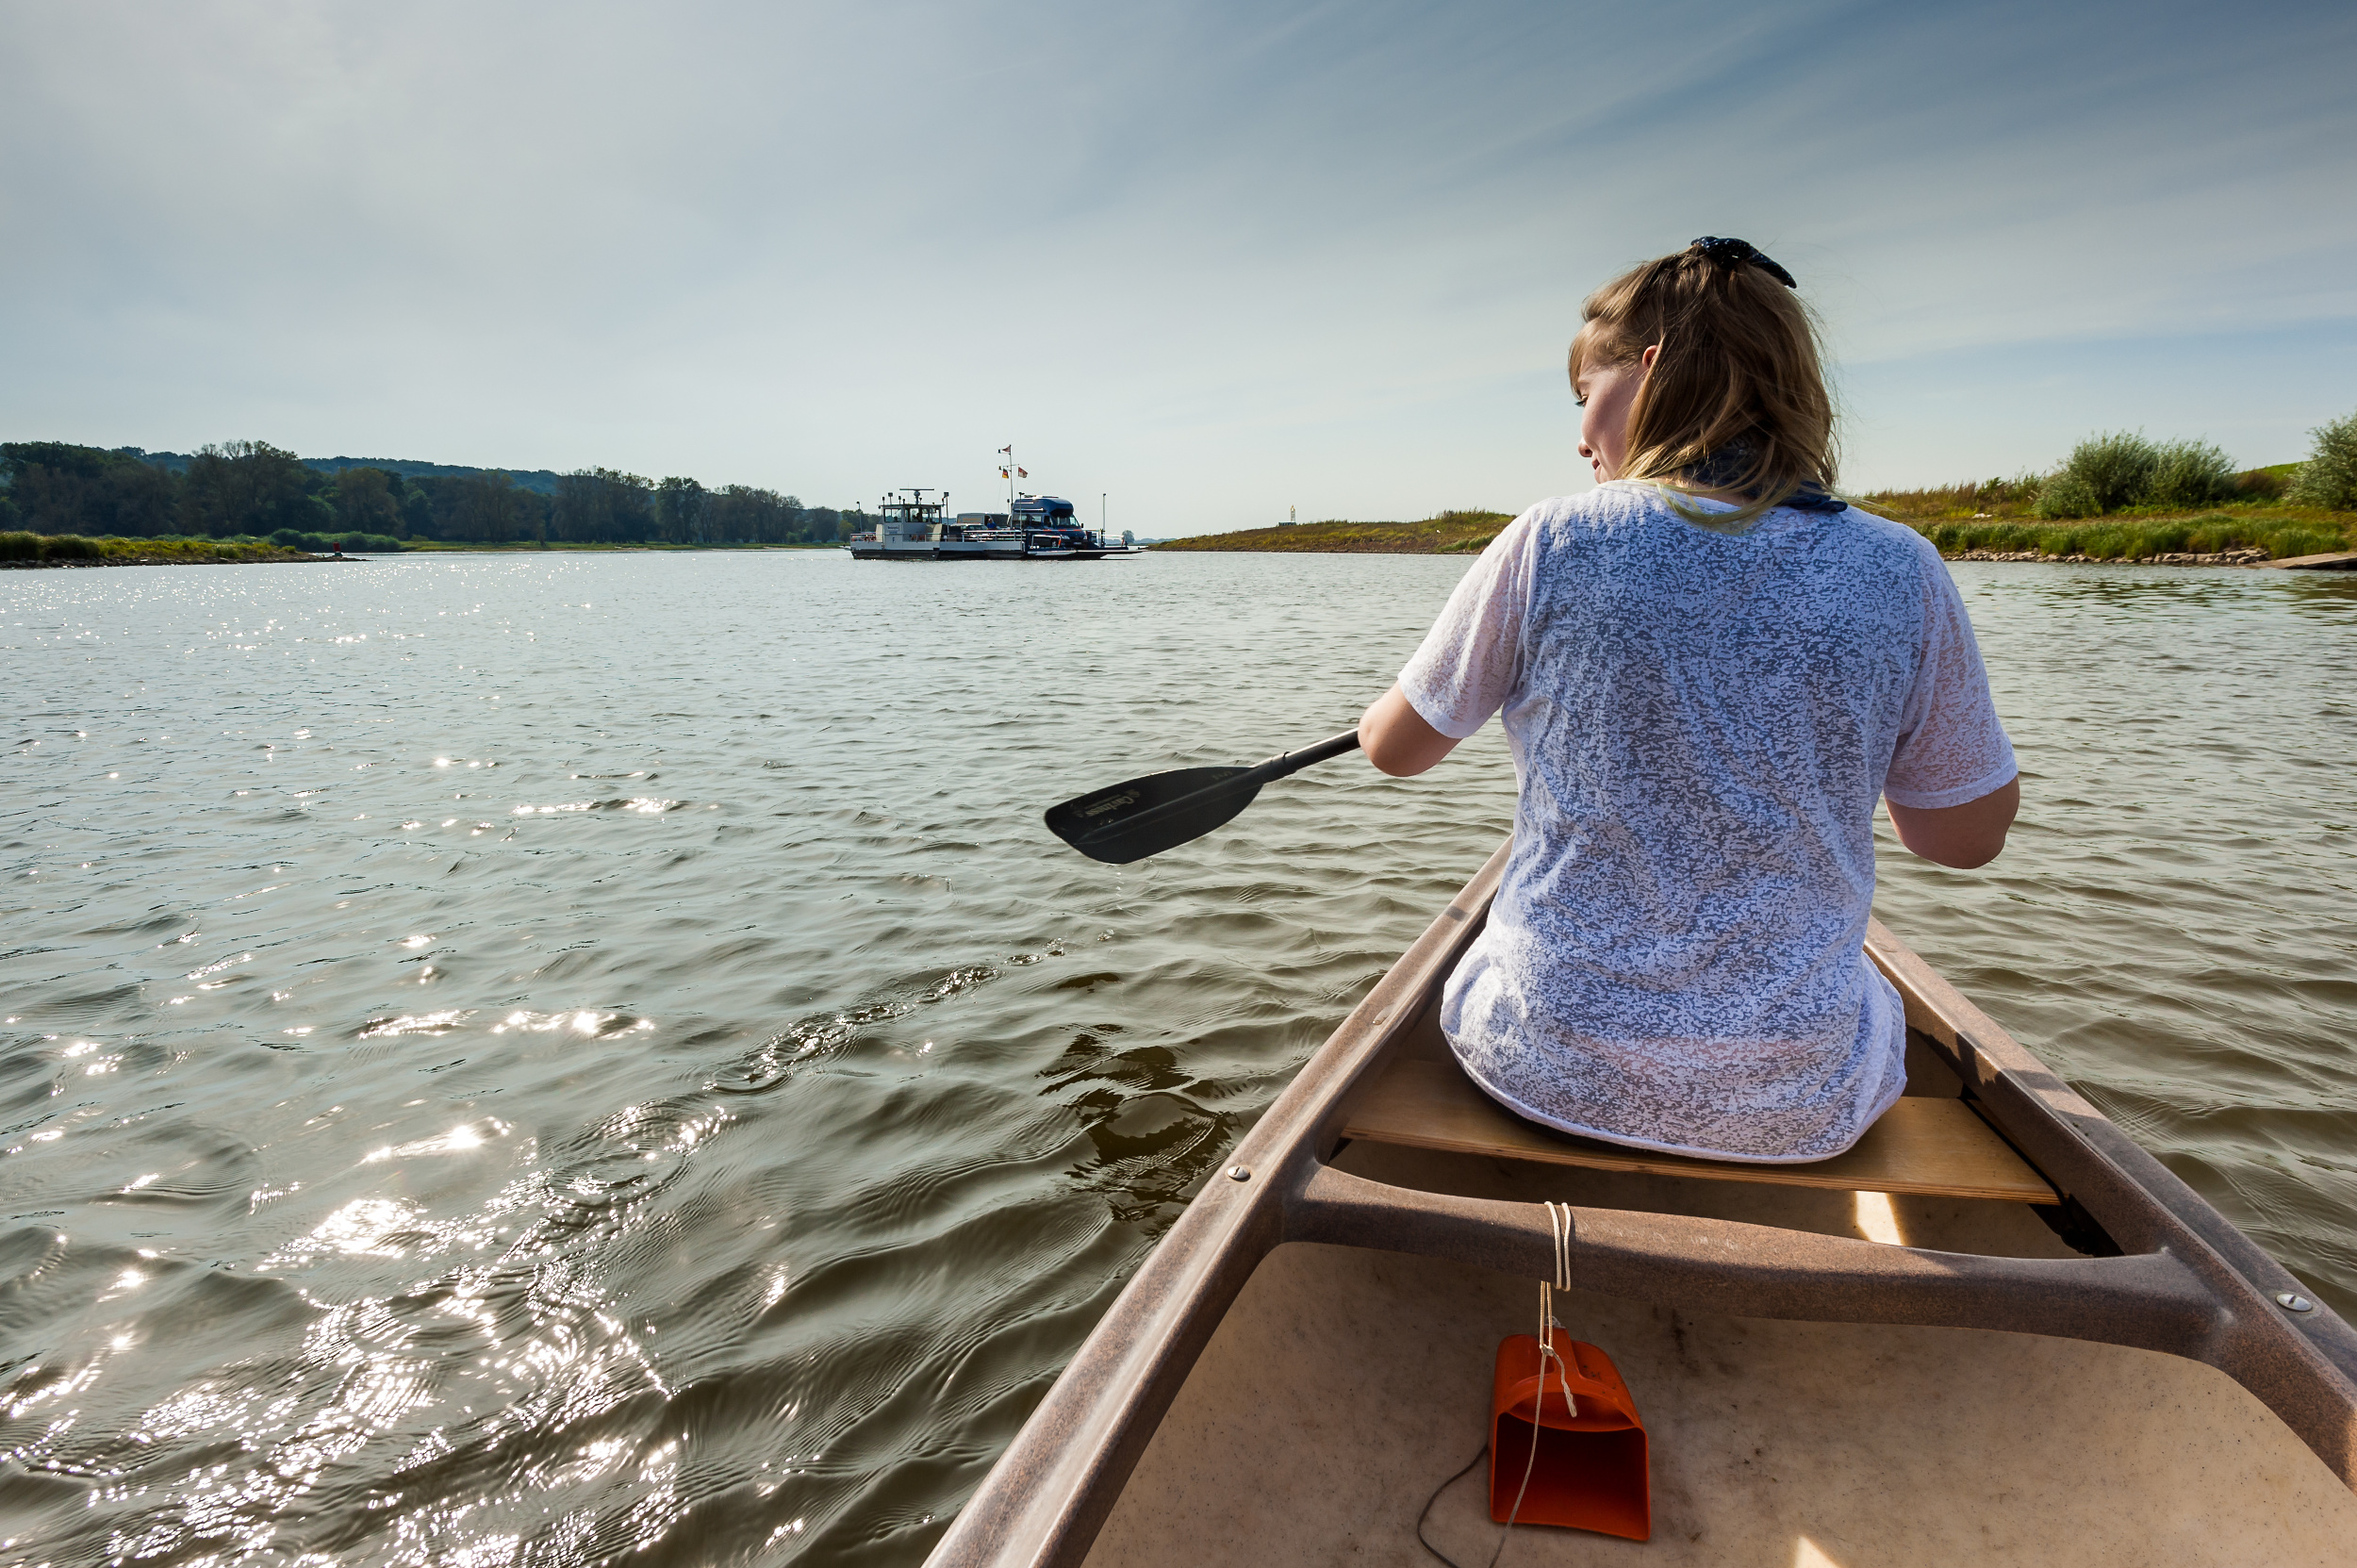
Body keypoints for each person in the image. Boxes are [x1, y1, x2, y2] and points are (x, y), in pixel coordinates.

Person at [1358, 238, 2019, 1164]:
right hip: (1798, 1100)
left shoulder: (1550, 539)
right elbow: (1963, 838)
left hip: (1545, 1065)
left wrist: (1398, 705)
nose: (1580, 435)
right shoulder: (1902, 568)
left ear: (1654, 370)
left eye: (1585, 396)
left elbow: (1393, 749)